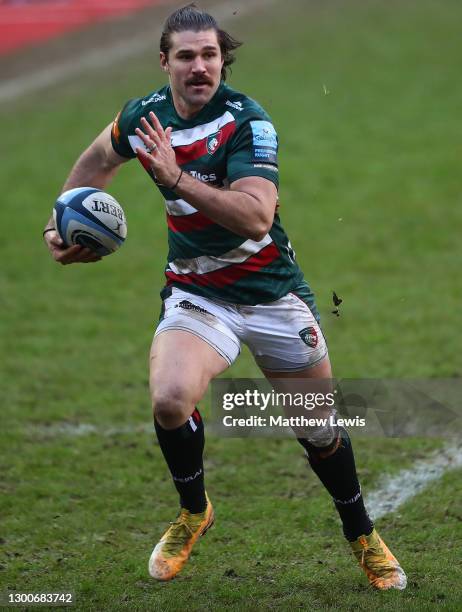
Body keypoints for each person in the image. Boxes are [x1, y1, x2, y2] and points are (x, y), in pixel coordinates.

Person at [43, 3, 406, 590]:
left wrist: (177, 179)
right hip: (197, 292)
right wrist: (59, 225)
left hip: (270, 294)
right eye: (186, 56)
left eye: (209, 55)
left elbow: (258, 216)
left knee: (317, 427)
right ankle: (194, 512)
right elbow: (95, 163)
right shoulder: (145, 117)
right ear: (165, 62)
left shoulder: (247, 122)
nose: (199, 66)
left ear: (222, 60)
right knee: (169, 399)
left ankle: (362, 533)